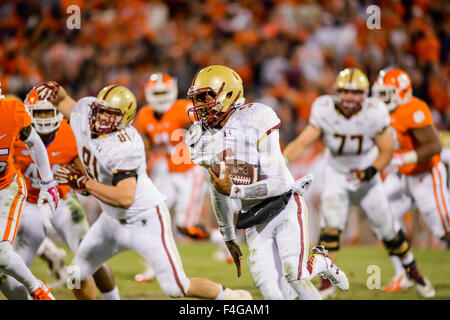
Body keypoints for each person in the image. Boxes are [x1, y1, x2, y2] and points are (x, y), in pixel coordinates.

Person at [36, 80, 252, 300]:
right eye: (100, 111)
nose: (101, 118)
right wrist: (56, 90)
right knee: (75, 274)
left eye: (110, 115)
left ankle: (231, 297)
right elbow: (64, 101)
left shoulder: (125, 143)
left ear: (124, 120)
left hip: (144, 220)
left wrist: (83, 183)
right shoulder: (84, 114)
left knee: (176, 288)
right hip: (110, 220)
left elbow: (125, 197)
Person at [185, 65, 349, 300]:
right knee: (271, 291)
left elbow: (280, 182)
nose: (200, 105)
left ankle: (321, 261)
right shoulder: (200, 137)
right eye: (197, 98)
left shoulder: (257, 117)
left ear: (228, 94)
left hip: (284, 204)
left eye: (205, 97)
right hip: (253, 217)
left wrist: (235, 189)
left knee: (297, 273)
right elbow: (217, 189)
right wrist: (228, 235)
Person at [283, 68, 433, 299]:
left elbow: (386, 150)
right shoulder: (324, 109)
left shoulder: (375, 112)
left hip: (367, 177)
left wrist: (371, 170)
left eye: (355, 93)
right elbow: (303, 141)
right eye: (345, 92)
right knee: (330, 229)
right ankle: (327, 283)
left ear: (365, 94)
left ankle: (414, 272)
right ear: (337, 92)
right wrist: (283, 161)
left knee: (388, 231)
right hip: (337, 174)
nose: (349, 98)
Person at [0, 88, 120, 300]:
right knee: (9, 268)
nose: (44, 118)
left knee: (89, 256)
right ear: (29, 112)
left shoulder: (71, 133)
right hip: (28, 205)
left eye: (48, 112)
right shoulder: (16, 132)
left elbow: (88, 175)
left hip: (62, 201)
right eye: (39, 113)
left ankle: (113, 298)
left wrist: (85, 182)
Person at [372, 68, 446, 295]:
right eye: (380, 93)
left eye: (387, 93)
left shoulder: (415, 109)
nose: (382, 98)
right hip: (402, 176)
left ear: (401, 92)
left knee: (444, 230)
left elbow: (435, 146)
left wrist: (404, 157)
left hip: (426, 175)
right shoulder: (381, 111)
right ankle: (404, 272)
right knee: (381, 216)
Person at [134, 73, 209, 282]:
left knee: (184, 225)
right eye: (156, 92)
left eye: (163, 92)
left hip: (190, 170)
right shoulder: (145, 114)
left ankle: (219, 238)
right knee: (154, 217)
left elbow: (207, 127)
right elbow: (145, 144)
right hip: (167, 171)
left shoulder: (183, 108)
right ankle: (153, 266)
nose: (159, 96)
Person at [0, 84, 59, 300]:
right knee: (1, 273)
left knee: (1, 255)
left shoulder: (12, 111)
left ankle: (39, 290)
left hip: (6, 189)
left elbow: (34, 141)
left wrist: (48, 181)